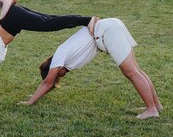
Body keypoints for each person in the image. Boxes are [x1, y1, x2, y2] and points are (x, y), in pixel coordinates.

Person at [19, 18, 163, 119]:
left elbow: (47, 83)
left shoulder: (59, 56)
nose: (61, 76)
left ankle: (151, 110)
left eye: (58, 74)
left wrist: (30, 102)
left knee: (131, 72)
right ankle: (155, 105)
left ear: (53, 67)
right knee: (135, 70)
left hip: (107, 31)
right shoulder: (65, 57)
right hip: (110, 26)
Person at [0, 0, 98, 98]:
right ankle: (85, 20)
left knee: (48, 23)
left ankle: (87, 20)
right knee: (49, 20)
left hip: (13, 18)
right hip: (14, 21)